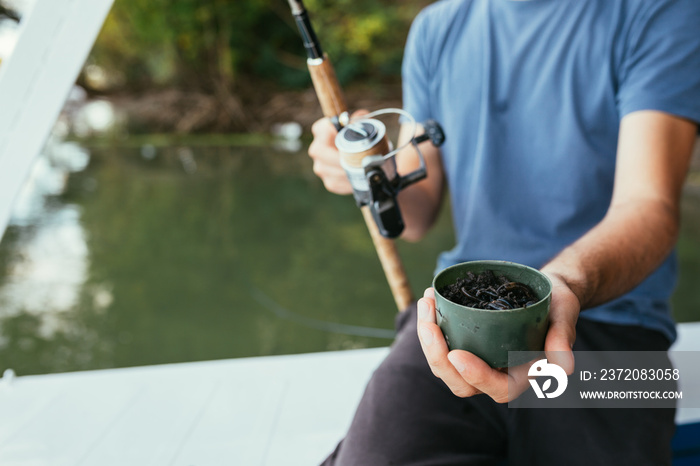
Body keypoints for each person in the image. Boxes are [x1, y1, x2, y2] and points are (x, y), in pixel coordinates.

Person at [308, 0, 700, 464]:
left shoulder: (664, 11)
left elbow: (650, 205)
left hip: (617, 336)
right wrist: (365, 172)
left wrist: (566, 285)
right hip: (458, 322)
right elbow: (415, 217)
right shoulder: (436, 28)